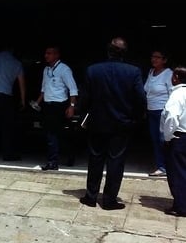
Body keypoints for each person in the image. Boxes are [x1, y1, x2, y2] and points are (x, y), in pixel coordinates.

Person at [79, 37, 146, 210]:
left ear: (108, 51)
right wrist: (136, 118)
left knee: (95, 159)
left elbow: (85, 98)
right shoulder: (133, 72)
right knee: (116, 162)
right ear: (124, 53)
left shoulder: (93, 70)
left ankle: (91, 196)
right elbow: (140, 99)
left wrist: (85, 114)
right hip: (122, 124)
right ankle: (109, 200)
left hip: (97, 122)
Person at [33, 45, 78, 171]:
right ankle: (64, 156)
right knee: (52, 134)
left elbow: (73, 89)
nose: (46, 55)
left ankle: (53, 161)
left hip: (59, 104)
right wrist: (37, 102)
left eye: (50, 53)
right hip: (47, 105)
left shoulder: (64, 69)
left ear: (57, 55)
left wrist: (72, 106)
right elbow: (44, 88)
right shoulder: (46, 70)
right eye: (46, 53)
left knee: (53, 134)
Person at [160, 66, 186, 218]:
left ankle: (183, 207)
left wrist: (167, 138)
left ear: (176, 78)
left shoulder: (177, 95)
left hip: (180, 138)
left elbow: (172, 118)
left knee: (179, 174)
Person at [144, 49, 173, 177]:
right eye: (152, 56)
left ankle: (167, 166)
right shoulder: (151, 72)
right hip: (151, 111)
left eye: (158, 57)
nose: (154, 59)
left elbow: (173, 94)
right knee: (155, 140)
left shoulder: (168, 74)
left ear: (164, 60)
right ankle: (161, 166)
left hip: (163, 112)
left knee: (164, 140)